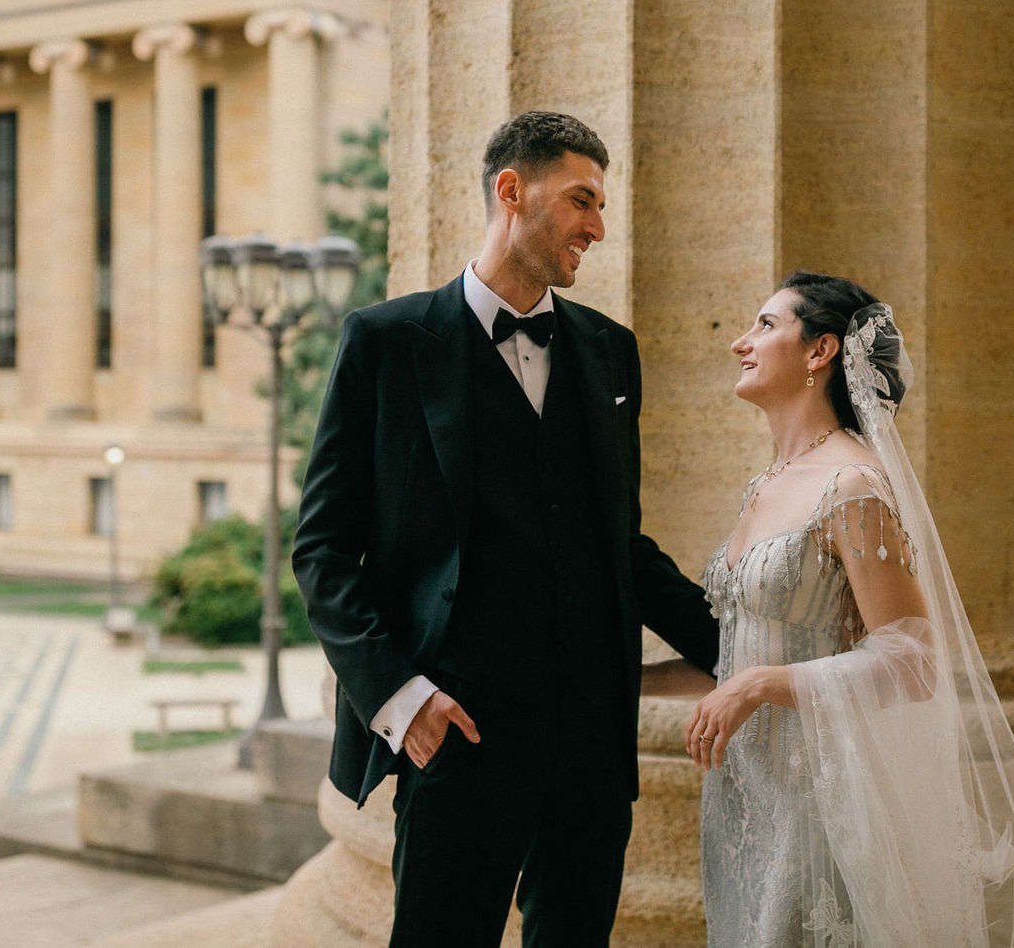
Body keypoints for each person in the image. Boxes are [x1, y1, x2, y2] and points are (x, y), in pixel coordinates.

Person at [293, 110, 721, 948]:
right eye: (582, 200)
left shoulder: (610, 352)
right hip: (456, 738)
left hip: (591, 751)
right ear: (512, 191)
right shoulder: (384, 343)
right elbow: (323, 550)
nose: (598, 227)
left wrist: (742, 638)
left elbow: (618, 543)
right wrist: (399, 696)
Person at [643, 273, 1014, 947]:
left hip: (819, 803)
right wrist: (631, 677)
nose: (740, 341)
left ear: (819, 350)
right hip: (747, 801)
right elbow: (745, 649)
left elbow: (914, 658)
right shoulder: (765, 483)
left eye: (766, 325)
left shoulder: (851, 485)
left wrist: (761, 685)